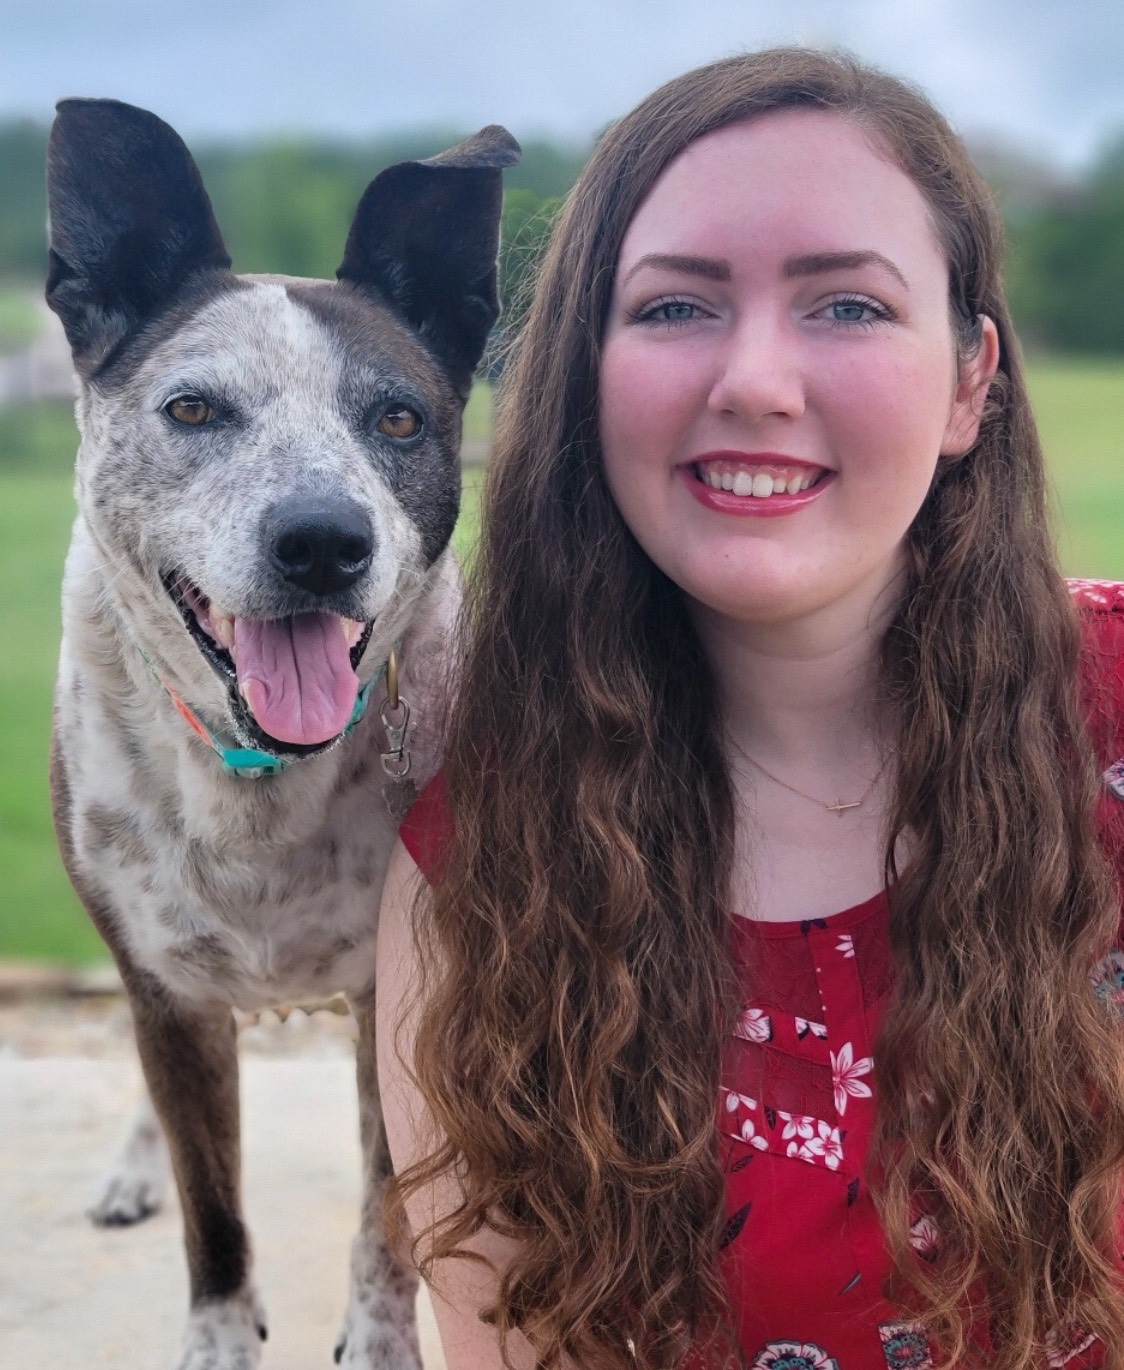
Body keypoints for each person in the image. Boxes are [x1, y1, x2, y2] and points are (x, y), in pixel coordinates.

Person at [376, 47, 1124, 1370]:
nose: (757, 381)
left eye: (846, 305)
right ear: (586, 372)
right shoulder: (481, 868)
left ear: (970, 383)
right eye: (674, 309)